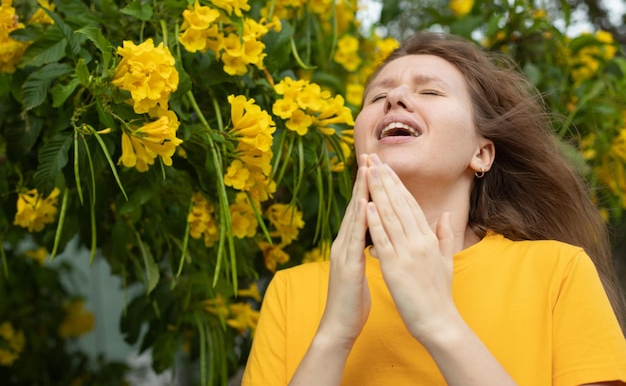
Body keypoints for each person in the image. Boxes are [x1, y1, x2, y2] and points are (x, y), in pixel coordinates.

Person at [241, 31, 626, 386]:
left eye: (430, 92)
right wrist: (334, 336)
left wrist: (438, 322)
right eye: (377, 97)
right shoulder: (293, 291)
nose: (394, 99)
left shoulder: (558, 272)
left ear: (481, 152)